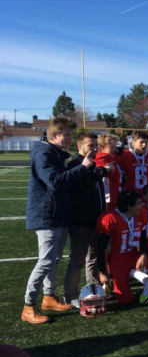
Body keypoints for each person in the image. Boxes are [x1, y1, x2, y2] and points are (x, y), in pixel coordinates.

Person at [23, 117, 95, 324]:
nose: (70, 138)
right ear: (54, 135)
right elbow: (55, 182)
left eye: (71, 134)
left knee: (54, 260)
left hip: (58, 214)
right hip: (47, 215)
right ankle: (28, 306)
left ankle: (49, 297)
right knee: (46, 261)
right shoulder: (44, 153)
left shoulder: (55, 153)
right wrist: (83, 166)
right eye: (66, 134)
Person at [64, 132, 112, 308]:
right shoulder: (75, 163)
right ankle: (70, 295)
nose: (94, 149)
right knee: (77, 259)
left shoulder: (92, 163)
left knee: (93, 256)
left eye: (95, 146)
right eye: (90, 145)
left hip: (96, 219)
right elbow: (83, 182)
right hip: (81, 221)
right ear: (80, 146)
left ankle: (93, 288)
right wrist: (103, 171)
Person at [96, 190, 148, 306]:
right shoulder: (111, 219)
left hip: (133, 254)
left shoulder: (142, 215)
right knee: (125, 300)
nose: (141, 206)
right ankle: (112, 282)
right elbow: (100, 248)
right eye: (138, 203)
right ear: (129, 207)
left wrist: (144, 253)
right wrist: (102, 271)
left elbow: (143, 238)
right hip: (118, 259)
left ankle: (146, 295)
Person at [95, 134, 123, 212]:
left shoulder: (110, 157)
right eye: (112, 147)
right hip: (108, 195)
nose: (115, 149)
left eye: (116, 147)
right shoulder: (103, 157)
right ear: (102, 148)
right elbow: (108, 173)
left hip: (112, 194)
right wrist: (117, 155)